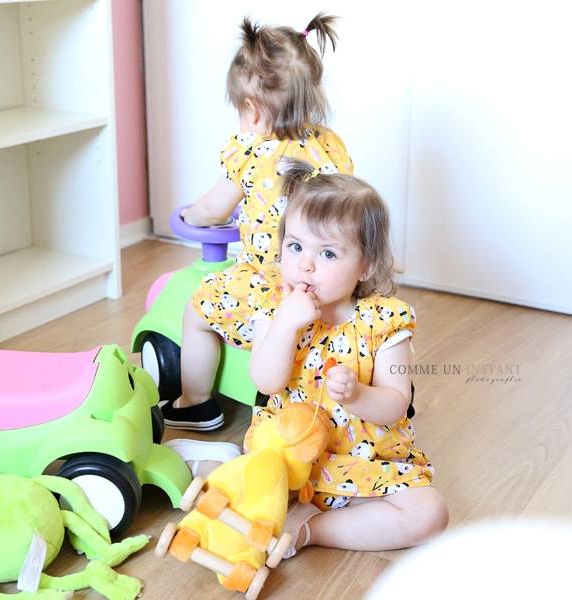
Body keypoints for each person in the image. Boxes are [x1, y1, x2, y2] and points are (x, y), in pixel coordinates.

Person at [160, 12, 354, 431]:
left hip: (271, 282)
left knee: (198, 309)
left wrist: (191, 215)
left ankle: (195, 403)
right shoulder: (331, 145)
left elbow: (213, 210)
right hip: (328, 282)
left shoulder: (250, 152)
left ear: (250, 110)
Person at [245, 160, 449, 554]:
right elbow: (266, 383)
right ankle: (275, 500)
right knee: (243, 492)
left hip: (362, 464)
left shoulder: (384, 321)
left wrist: (357, 396)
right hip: (292, 462)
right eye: (296, 246)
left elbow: (396, 402)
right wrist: (286, 325)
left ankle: (314, 530)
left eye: (328, 253)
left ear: (365, 265)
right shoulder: (274, 309)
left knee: (430, 516)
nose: (305, 263)